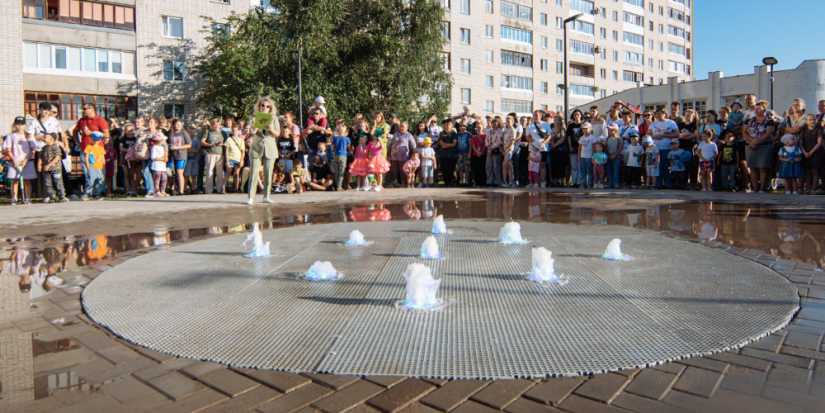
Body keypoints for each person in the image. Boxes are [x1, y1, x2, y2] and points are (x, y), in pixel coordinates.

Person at [69, 102, 109, 194]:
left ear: (92, 109)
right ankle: (89, 192)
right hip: (85, 149)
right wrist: (77, 142)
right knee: (87, 171)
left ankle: (98, 192)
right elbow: (74, 131)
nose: (83, 111)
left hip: (97, 150)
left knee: (98, 171)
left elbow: (106, 134)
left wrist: (92, 133)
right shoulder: (82, 120)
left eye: (85, 109)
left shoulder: (100, 120)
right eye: (83, 109)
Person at [247, 96, 280, 204]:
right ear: (259, 106)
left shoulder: (274, 119)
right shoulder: (253, 118)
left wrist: (271, 129)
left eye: (267, 106)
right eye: (262, 105)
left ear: (270, 108)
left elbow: (278, 134)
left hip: (270, 148)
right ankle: (251, 197)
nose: (264, 107)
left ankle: (266, 196)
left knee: (268, 172)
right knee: (254, 172)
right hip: (256, 148)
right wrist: (255, 127)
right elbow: (251, 133)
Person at [742, 100, 776, 193]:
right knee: (753, 167)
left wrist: (757, 142)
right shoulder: (749, 120)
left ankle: (762, 189)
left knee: (763, 168)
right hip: (751, 145)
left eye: (759, 109)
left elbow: (768, 133)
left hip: (764, 146)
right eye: (756, 109)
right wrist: (752, 141)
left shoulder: (769, 121)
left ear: (764, 110)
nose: (757, 111)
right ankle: (754, 188)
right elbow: (744, 132)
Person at [4, 116, 37, 205]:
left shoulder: (29, 136)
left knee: (27, 180)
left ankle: (28, 198)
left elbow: (32, 149)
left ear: (24, 125)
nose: (19, 126)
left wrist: (25, 160)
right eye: (17, 124)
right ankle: (14, 198)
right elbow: (8, 150)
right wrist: (14, 160)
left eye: (21, 124)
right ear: (15, 125)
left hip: (27, 161)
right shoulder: (10, 136)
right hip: (14, 161)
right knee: (15, 180)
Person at [648, 109, 680, 188]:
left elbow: (677, 133)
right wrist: (655, 136)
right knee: (658, 167)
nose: (658, 115)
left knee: (667, 166)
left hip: (667, 147)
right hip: (656, 148)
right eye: (657, 114)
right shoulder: (653, 123)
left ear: (665, 114)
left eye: (660, 113)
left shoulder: (670, 122)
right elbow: (648, 135)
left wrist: (665, 136)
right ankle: (658, 184)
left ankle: (668, 184)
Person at [37, 132, 68, 203]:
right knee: (48, 183)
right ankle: (52, 196)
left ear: (51, 139)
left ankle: (61, 196)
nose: (43, 138)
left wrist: (48, 165)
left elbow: (57, 157)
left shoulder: (56, 147)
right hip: (47, 170)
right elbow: (40, 157)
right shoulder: (44, 148)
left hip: (55, 168)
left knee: (58, 182)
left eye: (45, 137)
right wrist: (39, 165)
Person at [525, 111, 552, 188]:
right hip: (533, 148)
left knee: (542, 164)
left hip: (543, 148)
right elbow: (527, 137)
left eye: (537, 115)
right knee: (532, 165)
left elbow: (549, 135)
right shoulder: (530, 126)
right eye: (534, 115)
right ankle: (533, 182)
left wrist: (543, 143)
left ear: (541, 116)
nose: (535, 117)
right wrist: (535, 143)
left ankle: (542, 182)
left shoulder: (546, 124)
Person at [799, 114, 823, 194]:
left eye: (814, 119)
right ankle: (807, 189)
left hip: (815, 152)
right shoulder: (803, 131)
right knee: (807, 172)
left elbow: (819, 143)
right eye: (810, 120)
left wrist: (811, 152)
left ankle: (813, 189)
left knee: (814, 171)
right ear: (806, 121)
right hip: (805, 151)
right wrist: (805, 152)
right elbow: (800, 143)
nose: (812, 121)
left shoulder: (818, 130)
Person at [166, 118, 191, 196]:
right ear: (173, 125)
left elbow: (189, 144)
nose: (178, 126)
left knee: (179, 173)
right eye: (176, 124)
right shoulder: (169, 133)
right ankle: (172, 188)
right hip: (170, 156)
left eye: (179, 124)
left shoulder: (183, 133)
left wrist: (177, 148)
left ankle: (181, 191)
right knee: (170, 173)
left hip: (180, 156)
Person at [201, 118, 226, 194]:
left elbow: (226, 143)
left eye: (218, 124)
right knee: (209, 172)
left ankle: (219, 189)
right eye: (214, 124)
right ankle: (209, 190)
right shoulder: (208, 132)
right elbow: (202, 142)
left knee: (220, 172)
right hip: (210, 153)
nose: (216, 126)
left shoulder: (223, 133)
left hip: (220, 154)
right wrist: (210, 145)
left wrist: (222, 144)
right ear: (212, 125)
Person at [389, 121, 416, 187]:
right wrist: (389, 154)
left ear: (407, 128)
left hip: (403, 156)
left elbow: (413, 146)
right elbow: (391, 143)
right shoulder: (396, 134)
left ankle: (404, 182)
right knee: (393, 169)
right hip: (394, 156)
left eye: (403, 126)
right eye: (400, 126)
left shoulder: (409, 135)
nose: (401, 128)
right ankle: (392, 182)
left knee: (403, 170)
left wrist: (410, 155)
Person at [83, 131, 106, 200]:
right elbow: (86, 157)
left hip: (100, 167)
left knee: (99, 181)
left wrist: (104, 166)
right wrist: (88, 166)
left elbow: (102, 157)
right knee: (90, 181)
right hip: (92, 167)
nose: (96, 141)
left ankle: (96, 194)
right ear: (91, 139)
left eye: (97, 140)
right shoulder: (88, 147)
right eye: (94, 139)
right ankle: (87, 193)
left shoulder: (101, 148)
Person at [224, 125, 246, 193]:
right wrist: (227, 160)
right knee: (228, 172)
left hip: (238, 158)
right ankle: (223, 187)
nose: (234, 132)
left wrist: (241, 160)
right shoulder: (229, 139)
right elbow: (226, 151)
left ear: (238, 131)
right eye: (233, 130)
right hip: (231, 158)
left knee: (236, 174)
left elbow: (243, 151)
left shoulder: (241, 140)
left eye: (236, 130)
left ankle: (236, 189)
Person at [549, 115, 568, 187]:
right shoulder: (551, 128)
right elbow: (547, 137)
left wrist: (555, 144)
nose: (555, 121)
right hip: (552, 149)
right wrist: (551, 143)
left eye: (557, 120)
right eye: (554, 120)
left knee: (561, 165)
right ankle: (555, 182)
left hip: (560, 149)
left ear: (560, 121)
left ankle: (562, 182)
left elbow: (563, 138)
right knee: (553, 166)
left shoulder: (562, 129)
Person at [438, 119, 458, 187]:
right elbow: (441, 143)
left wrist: (445, 144)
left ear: (452, 125)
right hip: (444, 155)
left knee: (451, 169)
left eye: (449, 124)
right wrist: (448, 145)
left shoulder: (453, 133)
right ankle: (445, 181)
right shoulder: (442, 133)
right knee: (444, 169)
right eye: (446, 124)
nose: (447, 126)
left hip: (451, 155)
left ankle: (449, 181)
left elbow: (454, 144)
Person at [578, 122, 598, 189]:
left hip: (590, 156)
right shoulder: (581, 138)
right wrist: (579, 156)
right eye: (583, 129)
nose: (585, 130)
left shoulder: (593, 138)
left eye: (586, 129)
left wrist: (593, 156)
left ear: (590, 129)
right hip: (583, 156)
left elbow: (594, 147)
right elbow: (580, 147)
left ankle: (590, 183)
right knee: (583, 170)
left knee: (590, 170)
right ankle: (583, 183)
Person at [331, 124, 351, 191]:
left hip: (336, 155)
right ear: (344, 131)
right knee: (341, 171)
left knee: (336, 171)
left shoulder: (335, 138)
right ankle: (339, 186)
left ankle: (337, 185)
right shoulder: (346, 139)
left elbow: (333, 148)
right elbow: (349, 147)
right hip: (343, 155)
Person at [566, 109, 583, 187]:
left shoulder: (583, 125)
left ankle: (581, 182)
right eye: (575, 115)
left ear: (581, 115)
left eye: (578, 114)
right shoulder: (571, 126)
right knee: (574, 166)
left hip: (582, 148)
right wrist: (570, 147)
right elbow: (569, 137)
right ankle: (575, 182)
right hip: (573, 147)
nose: (576, 116)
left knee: (580, 166)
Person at [485, 117, 504, 186]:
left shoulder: (500, 132)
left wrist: (492, 147)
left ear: (498, 124)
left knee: (496, 167)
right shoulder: (489, 131)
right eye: (492, 124)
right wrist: (488, 146)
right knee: (489, 166)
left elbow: (499, 141)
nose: (493, 125)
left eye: (495, 124)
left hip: (496, 150)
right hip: (489, 150)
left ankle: (497, 182)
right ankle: (490, 181)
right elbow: (486, 140)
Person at [501, 114, 518, 188]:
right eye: (506, 122)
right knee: (508, 165)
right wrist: (503, 149)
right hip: (505, 150)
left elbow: (512, 142)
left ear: (513, 122)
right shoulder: (506, 130)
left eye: (509, 122)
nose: (507, 124)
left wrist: (506, 150)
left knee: (504, 164)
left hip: (509, 150)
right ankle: (510, 182)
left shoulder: (512, 130)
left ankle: (505, 181)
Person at [604, 124, 622, 189]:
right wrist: (607, 155)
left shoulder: (619, 139)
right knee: (609, 170)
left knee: (615, 170)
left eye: (611, 130)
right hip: (608, 156)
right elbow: (605, 147)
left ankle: (615, 183)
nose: (610, 131)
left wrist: (614, 155)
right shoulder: (607, 138)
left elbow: (620, 148)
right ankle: (609, 183)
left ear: (616, 130)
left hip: (616, 157)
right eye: (609, 130)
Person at [184, 126, 201, 194]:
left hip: (195, 160)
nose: (192, 134)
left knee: (194, 175)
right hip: (188, 160)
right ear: (188, 133)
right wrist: (192, 150)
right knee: (186, 175)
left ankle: (193, 189)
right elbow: (185, 151)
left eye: (193, 132)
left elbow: (197, 150)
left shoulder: (196, 141)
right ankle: (184, 189)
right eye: (191, 132)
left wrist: (190, 149)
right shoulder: (186, 141)